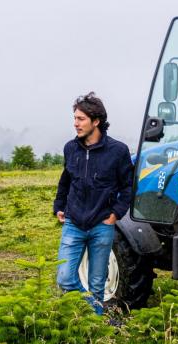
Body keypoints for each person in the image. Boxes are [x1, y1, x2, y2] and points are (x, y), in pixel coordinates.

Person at [53, 92, 134, 315]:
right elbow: (66, 180)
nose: (75, 124)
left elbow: (128, 187)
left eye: (81, 119)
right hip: (74, 223)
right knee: (65, 278)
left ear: (96, 121)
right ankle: (91, 312)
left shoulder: (118, 151)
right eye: (75, 118)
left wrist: (115, 214)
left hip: (102, 225)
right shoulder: (71, 148)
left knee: (97, 285)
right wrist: (59, 206)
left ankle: (93, 331)